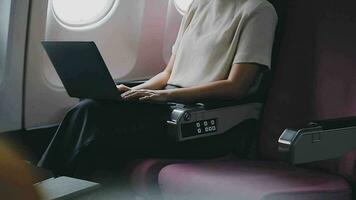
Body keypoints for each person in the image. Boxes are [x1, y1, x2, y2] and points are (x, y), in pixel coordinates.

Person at [38, 0, 278, 176]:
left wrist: (165, 96)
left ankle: (44, 180)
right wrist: (132, 92)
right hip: (169, 106)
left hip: (203, 121)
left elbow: (236, 87)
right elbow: (167, 74)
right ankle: (51, 182)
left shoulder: (259, 11)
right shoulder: (199, 5)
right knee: (92, 105)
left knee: (93, 115)